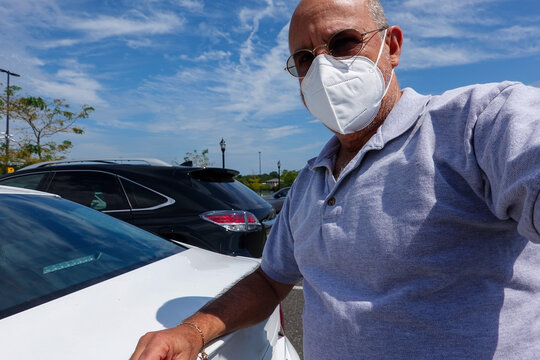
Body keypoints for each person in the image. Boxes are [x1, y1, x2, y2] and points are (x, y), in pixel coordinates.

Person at [130, 0, 540, 359]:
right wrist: (191, 332)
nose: (323, 67)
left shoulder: (477, 121)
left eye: (343, 42)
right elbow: (272, 281)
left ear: (391, 46)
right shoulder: (310, 181)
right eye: (305, 58)